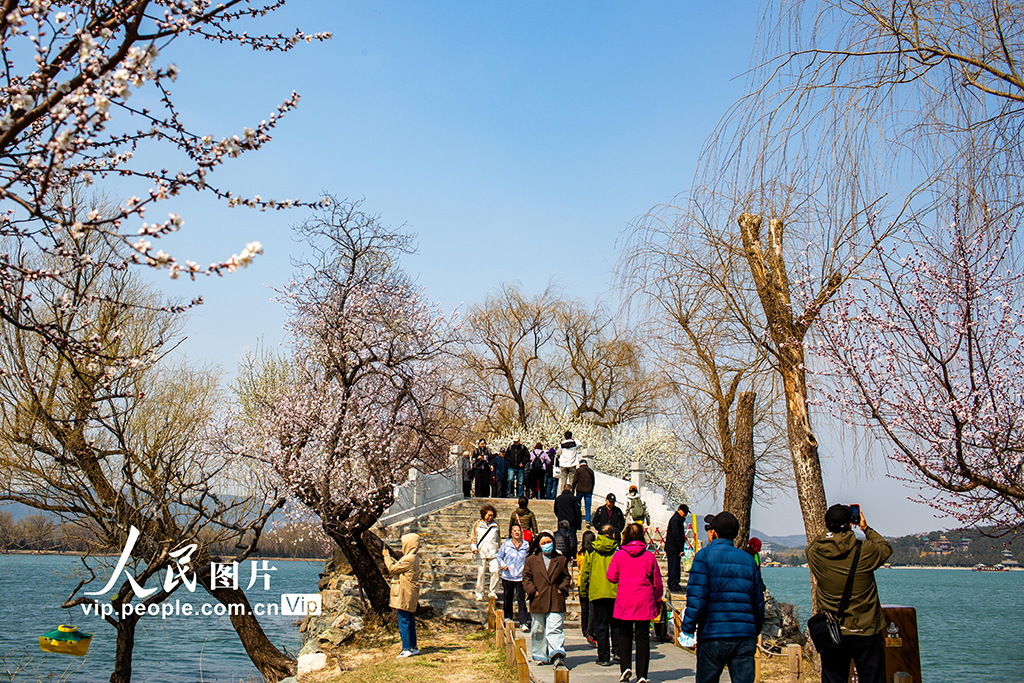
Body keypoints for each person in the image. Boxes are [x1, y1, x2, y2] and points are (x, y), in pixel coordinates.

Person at [806, 505, 893, 683]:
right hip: (866, 626)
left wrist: (829, 530)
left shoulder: (814, 553)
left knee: (833, 678)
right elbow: (885, 547)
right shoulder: (866, 550)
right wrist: (865, 528)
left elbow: (815, 543)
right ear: (851, 524)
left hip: (832, 629)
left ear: (825, 524)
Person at [680, 511, 765, 683]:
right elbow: (758, 600)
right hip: (744, 634)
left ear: (714, 532)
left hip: (713, 633)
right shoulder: (748, 560)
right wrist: (755, 628)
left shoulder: (704, 557)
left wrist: (688, 628)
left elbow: (697, 597)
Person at [607, 522, 663, 683]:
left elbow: (611, 576)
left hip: (625, 599)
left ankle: (625, 668)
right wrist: (658, 601)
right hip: (644, 600)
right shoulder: (649, 556)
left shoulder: (619, 555)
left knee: (624, 634)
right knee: (642, 637)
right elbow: (657, 583)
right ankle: (642, 675)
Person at [522, 530, 571, 667]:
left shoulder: (560, 559)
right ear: (538, 545)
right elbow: (526, 578)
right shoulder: (531, 560)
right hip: (538, 598)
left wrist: (562, 589)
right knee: (538, 628)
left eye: (549, 542)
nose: (546, 545)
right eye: (543, 543)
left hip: (556, 597)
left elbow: (566, 577)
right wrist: (532, 591)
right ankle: (540, 655)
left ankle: (557, 653)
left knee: (555, 627)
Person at [580, 524, 621, 666]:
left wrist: (583, 591)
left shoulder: (592, 549)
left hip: (597, 592)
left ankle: (603, 656)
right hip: (615, 592)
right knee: (616, 625)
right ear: (613, 535)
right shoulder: (617, 550)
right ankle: (617, 652)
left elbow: (585, 571)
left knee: (601, 625)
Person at [383, 532, 421, 658]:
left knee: (403, 620)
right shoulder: (414, 558)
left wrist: (386, 557)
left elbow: (392, 569)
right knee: (410, 620)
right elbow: (399, 566)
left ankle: (405, 648)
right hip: (410, 593)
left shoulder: (408, 559)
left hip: (404, 593)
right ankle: (413, 647)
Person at [497, 523, 531, 632]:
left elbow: (528, 560)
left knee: (521, 599)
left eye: (518, 531)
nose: (517, 532)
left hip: (520, 577)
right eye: (514, 531)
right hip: (508, 576)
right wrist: (503, 565)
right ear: (511, 533)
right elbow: (499, 557)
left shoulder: (526, 545)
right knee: (508, 597)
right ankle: (508, 617)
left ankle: (523, 622)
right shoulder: (506, 544)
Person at [469, 504, 501, 601]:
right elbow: (473, 537)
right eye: (488, 515)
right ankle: (479, 592)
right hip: (481, 552)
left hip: (493, 552)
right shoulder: (478, 524)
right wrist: (473, 548)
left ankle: (493, 591)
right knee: (481, 573)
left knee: (496, 570)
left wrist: (498, 548)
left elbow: (498, 539)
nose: (490, 517)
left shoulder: (495, 525)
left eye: (492, 515)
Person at [577, 529, 597, 644]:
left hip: (581, 582)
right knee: (591, 609)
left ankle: (584, 629)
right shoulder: (593, 553)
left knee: (584, 609)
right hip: (590, 581)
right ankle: (590, 630)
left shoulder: (580, 552)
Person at [664, 504, 690, 592]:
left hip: (673, 548)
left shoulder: (678, 519)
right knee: (674, 567)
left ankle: (674, 583)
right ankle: (673, 584)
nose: (685, 515)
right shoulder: (676, 520)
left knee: (675, 566)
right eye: (684, 512)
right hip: (673, 548)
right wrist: (680, 549)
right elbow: (677, 535)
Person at [554, 485, 582, 559]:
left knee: (562, 538)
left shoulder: (558, 498)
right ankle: (573, 555)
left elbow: (555, 510)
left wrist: (560, 517)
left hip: (561, 522)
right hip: (572, 522)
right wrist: (578, 524)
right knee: (572, 538)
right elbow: (577, 512)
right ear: (571, 490)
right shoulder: (573, 499)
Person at [573, 458, 596, 524]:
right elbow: (593, 482)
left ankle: (578, 518)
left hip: (580, 490)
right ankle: (588, 520)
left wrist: (572, 489)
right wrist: (591, 489)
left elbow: (575, 481)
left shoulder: (578, 470)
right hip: (588, 491)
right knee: (588, 507)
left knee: (578, 505)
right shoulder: (591, 471)